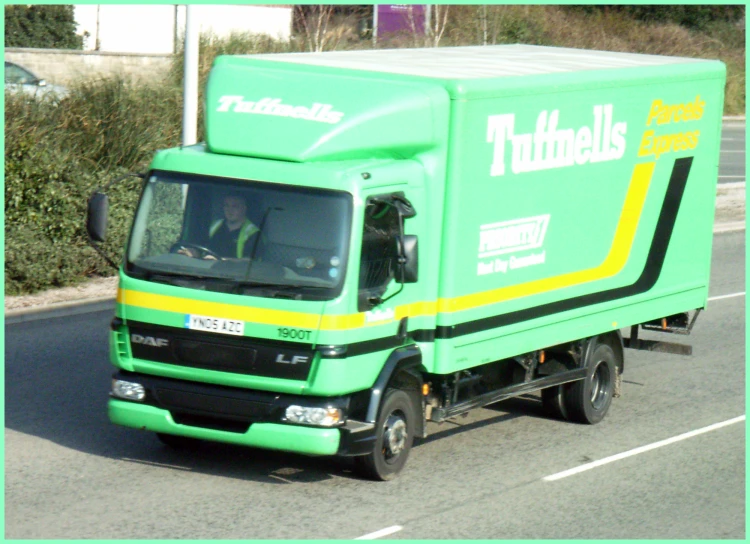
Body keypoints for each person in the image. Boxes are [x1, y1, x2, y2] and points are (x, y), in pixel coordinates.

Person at [180, 193, 259, 260]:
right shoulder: (214, 226)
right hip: (206, 272)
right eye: (226, 206)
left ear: (244, 208)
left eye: (234, 206)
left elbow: (250, 263)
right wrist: (192, 253)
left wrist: (221, 261)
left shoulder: (253, 233)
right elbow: (202, 248)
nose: (229, 210)